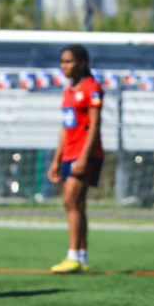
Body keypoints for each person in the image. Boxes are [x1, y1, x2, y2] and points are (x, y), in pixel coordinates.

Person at [47, 44, 104, 274]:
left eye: (69, 61)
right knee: (77, 205)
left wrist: (83, 157)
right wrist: (56, 159)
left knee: (70, 201)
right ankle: (81, 256)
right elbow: (66, 127)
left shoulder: (92, 88)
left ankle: (72, 256)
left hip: (85, 155)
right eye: (62, 61)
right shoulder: (68, 91)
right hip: (69, 154)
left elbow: (95, 125)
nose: (64, 66)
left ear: (82, 63)